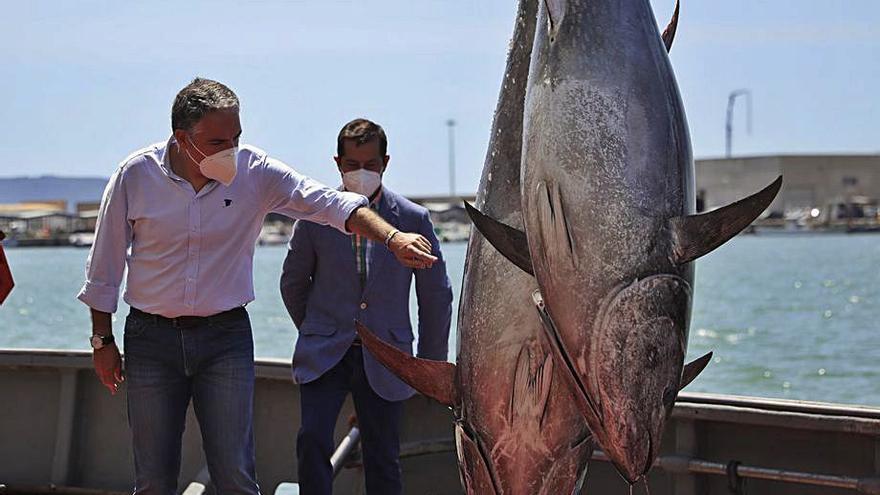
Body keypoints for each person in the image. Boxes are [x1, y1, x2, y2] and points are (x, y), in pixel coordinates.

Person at [77, 79, 438, 495]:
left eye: (236, 137)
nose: (230, 149)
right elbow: (103, 266)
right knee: (153, 479)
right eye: (217, 141)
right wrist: (102, 340)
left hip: (225, 339)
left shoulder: (254, 171)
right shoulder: (134, 176)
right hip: (150, 340)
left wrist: (392, 238)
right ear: (182, 138)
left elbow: (326, 202)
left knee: (235, 475)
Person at [280, 118, 452, 495]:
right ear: (337, 163)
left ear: (385, 163)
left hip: (388, 355)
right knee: (311, 441)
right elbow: (293, 283)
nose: (361, 173)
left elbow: (436, 295)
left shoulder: (413, 219)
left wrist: (428, 366)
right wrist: (314, 329)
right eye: (352, 165)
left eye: (370, 165)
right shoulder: (315, 217)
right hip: (326, 351)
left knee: (383, 457)